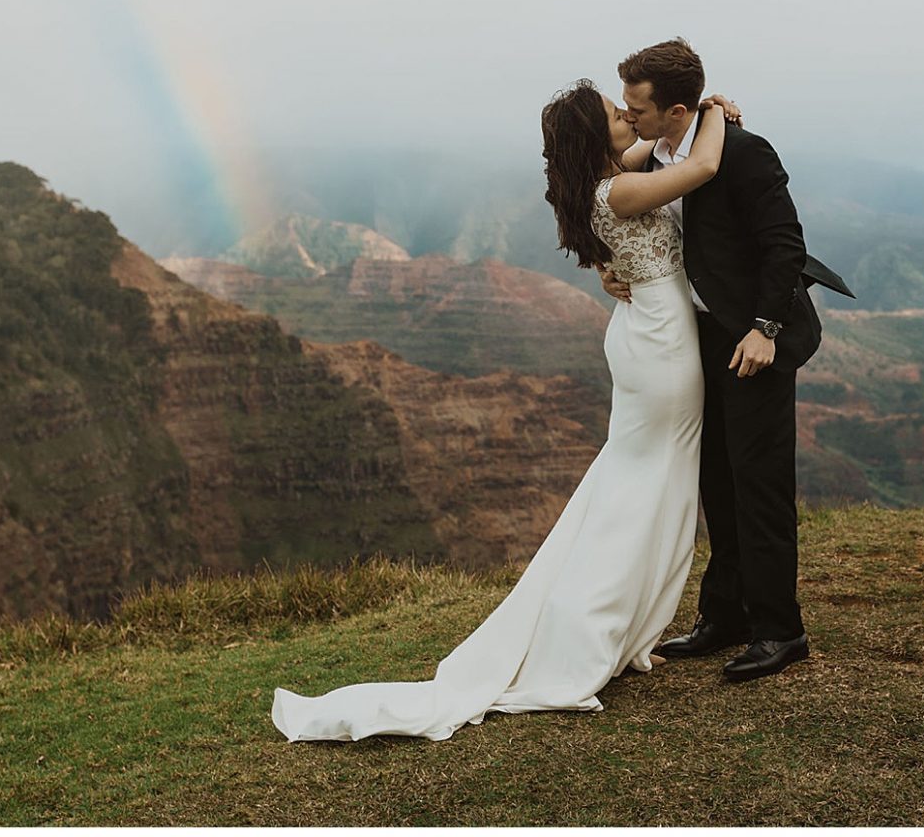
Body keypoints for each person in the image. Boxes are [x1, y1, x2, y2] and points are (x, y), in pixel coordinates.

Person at [270, 79, 739, 742]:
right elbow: (704, 166)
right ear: (593, 135)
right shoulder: (621, 189)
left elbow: (656, 153)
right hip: (660, 348)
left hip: (647, 339)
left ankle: (618, 624)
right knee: (647, 487)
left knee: (638, 482)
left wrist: (677, 122)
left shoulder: (608, 180)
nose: (626, 115)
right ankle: (595, 630)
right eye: (614, 113)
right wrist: (714, 110)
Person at [606, 37, 839, 682]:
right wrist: (613, 271)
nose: (631, 118)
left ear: (679, 109)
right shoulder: (658, 156)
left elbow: (784, 245)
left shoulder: (743, 151)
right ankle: (724, 615)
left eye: (640, 109)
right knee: (716, 478)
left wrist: (765, 328)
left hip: (753, 340)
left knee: (759, 483)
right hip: (696, 339)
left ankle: (779, 630)